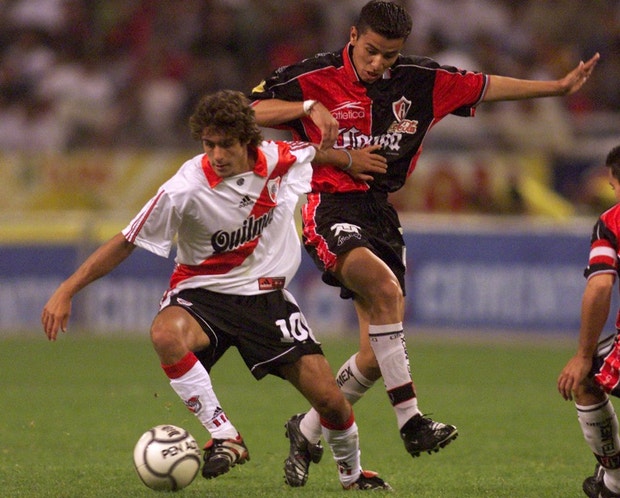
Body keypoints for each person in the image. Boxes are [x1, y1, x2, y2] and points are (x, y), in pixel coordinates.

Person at [249, 0, 600, 486]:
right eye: (371, 51)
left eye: (389, 56)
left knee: (374, 356)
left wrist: (556, 88)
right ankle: (411, 421)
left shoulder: (422, 81)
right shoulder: (315, 76)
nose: (378, 64)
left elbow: (488, 86)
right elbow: (250, 110)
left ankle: (306, 428)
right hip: (327, 205)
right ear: (353, 36)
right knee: (385, 289)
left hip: (381, 217)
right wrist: (307, 107)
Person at [40, 89, 391, 491]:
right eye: (210, 144)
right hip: (202, 293)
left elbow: (313, 153)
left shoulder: (275, 157)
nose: (218, 154)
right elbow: (126, 241)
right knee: (164, 334)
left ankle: (352, 476)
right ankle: (226, 437)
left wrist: (349, 159)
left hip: (266, 299)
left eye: (227, 144)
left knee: (330, 401)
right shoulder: (184, 189)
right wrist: (67, 289)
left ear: (248, 141)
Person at [558, 146, 620, 498]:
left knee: (586, 381)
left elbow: (600, 286)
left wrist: (583, 354)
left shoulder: (612, 222)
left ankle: (614, 483)